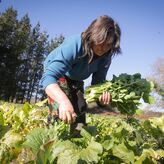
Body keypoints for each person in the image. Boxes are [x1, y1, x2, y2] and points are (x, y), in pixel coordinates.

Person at [40, 15, 121, 132]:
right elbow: (48, 78)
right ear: (92, 35)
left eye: (108, 44)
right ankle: (52, 136)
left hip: (76, 78)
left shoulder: (106, 57)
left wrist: (101, 100)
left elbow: (97, 84)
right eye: (101, 42)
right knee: (61, 112)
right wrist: (63, 101)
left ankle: (75, 140)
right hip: (58, 74)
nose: (103, 48)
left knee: (79, 119)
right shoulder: (75, 44)